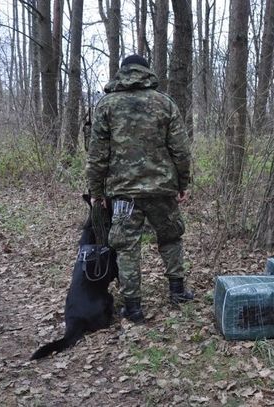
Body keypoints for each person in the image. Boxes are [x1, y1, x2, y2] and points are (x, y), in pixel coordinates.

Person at [86, 54, 193, 323]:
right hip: (162, 188)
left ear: (122, 72)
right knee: (170, 237)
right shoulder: (164, 103)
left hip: (123, 192)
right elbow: (180, 150)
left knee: (127, 247)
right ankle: (178, 292)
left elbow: (97, 155)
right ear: (147, 72)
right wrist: (183, 183)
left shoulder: (107, 106)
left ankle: (133, 307)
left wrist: (97, 192)